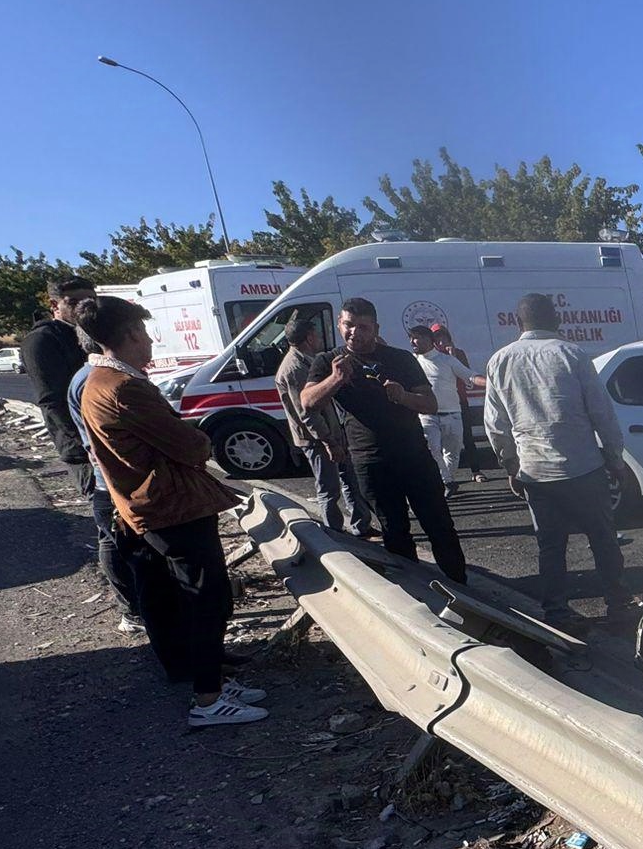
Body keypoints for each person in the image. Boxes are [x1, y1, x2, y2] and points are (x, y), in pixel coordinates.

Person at [74, 297, 266, 728]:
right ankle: (209, 699)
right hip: (173, 508)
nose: (149, 343)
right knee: (207, 599)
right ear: (126, 337)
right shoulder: (125, 388)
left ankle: (209, 678)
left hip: (151, 508)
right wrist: (199, 439)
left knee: (182, 598)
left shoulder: (99, 381)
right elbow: (190, 446)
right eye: (142, 334)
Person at [483, 293, 632, 625]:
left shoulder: (499, 361)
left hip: (535, 473)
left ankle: (556, 612)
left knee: (550, 548)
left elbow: (495, 424)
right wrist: (615, 458)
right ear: (556, 321)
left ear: (518, 323)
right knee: (603, 539)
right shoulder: (573, 355)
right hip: (583, 468)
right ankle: (618, 603)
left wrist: (510, 463)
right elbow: (601, 413)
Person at [301, 297, 468, 580]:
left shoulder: (400, 359)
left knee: (439, 524)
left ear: (375, 328)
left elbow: (430, 404)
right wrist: (335, 379)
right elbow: (307, 402)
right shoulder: (329, 362)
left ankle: (463, 589)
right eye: (349, 325)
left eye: (363, 327)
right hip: (370, 461)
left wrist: (404, 397)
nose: (355, 332)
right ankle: (418, 598)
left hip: (414, 457)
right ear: (340, 325)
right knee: (394, 531)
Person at [22, 276, 142, 627]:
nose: (83, 305)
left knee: (129, 529)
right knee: (112, 530)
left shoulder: (88, 334)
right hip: (86, 452)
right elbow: (54, 402)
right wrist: (87, 449)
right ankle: (130, 610)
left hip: (107, 446)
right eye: (74, 300)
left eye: (90, 298)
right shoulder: (43, 340)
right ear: (55, 305)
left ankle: (144, 601)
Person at [275, 317, 374, 534]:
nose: (321, 339)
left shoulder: (309, 360)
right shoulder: (294, 369)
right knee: (329, 489)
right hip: (317, 439)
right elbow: (307, 413)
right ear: (309, 338)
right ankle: (335, 535)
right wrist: (328, 441)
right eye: (317, 335)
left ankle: (361, 526)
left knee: (351, 480)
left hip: (334, 432)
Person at [407, 324, 478, 497]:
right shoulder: (411, 362)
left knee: (452, 454)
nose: (412, 341)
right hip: (427, 415)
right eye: (411, 338)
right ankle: (447, 482)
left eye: (416, 337)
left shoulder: (448, 360)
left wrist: (493, 384)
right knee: (432, 449)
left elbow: (470, 376)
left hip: (453, 414)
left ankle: (447, 480)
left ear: (428, 340)